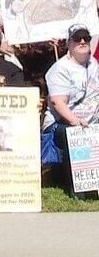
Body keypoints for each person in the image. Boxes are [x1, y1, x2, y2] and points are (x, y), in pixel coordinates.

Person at [43, 24, 99, 194]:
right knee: (75, 134)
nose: (82, 41)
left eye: (86, 38)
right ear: (69, 43)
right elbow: (57, 103)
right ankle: (77, 188)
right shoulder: (59, 69)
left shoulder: (94, 64)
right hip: (61, 123)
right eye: (77, 38)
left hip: (92, 121)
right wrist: (76, 121)